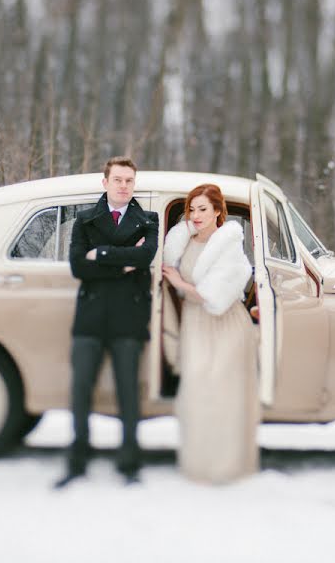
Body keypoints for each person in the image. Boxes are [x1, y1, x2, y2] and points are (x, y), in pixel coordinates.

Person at [56, 156, 159, 488]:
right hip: (91, 316)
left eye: (129, 180)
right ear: (105, 183)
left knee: (128, 391)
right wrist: (122, 262)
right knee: (81, 388)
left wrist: (98, 254)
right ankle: (77, 460)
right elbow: (76, 266)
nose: (124, 185)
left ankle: (129, 463)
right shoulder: (85, 220)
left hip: (129, 316)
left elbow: (145, 257)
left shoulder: (149, 220)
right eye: (118, 179)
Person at [161, 183, 259, 484]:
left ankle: (226, 466)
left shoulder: (228, 243)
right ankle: (198, 464)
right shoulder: (186, 241)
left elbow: (213, 295)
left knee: (222, 392)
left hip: (225, 325)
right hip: (195, 323)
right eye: (192, 209)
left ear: (218, 211)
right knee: (196, 389)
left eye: (203, 208)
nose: (196, 214)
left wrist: (179, 283)